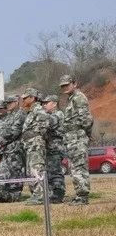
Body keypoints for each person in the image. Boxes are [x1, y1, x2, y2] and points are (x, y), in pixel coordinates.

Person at [60, 75, 94, 205]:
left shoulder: (79, 98)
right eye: (62, 86)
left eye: (67, 85)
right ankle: (80, 194)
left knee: (79, 167)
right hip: (72, 138)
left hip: (77, 137)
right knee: (74, 167)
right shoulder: (71, 99)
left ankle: (83, 196)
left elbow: (86, 119)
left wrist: (85, 133)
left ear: (74, 84)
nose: (64, 88)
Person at [21, 88, 51, 205]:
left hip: (36, 144)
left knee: (37, 168)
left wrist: (35, 137)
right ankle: (35, 194)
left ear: (32, 98)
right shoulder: (30, 112)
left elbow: (44, 126)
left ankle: (41, 195)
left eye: (25, 98)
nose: (23, 100)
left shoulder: (39, 110)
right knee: (31, 170)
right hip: (30, 145)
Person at [42, 95, 66, 203]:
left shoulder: (58, 114)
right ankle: (52, 194)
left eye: (47, 102)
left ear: (55, 103)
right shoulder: (49, 115)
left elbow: (49, 124)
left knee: (55, 172)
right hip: (49, 148)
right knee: (49, 172)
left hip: (56, 148)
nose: (44, 105)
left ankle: (58, 194)